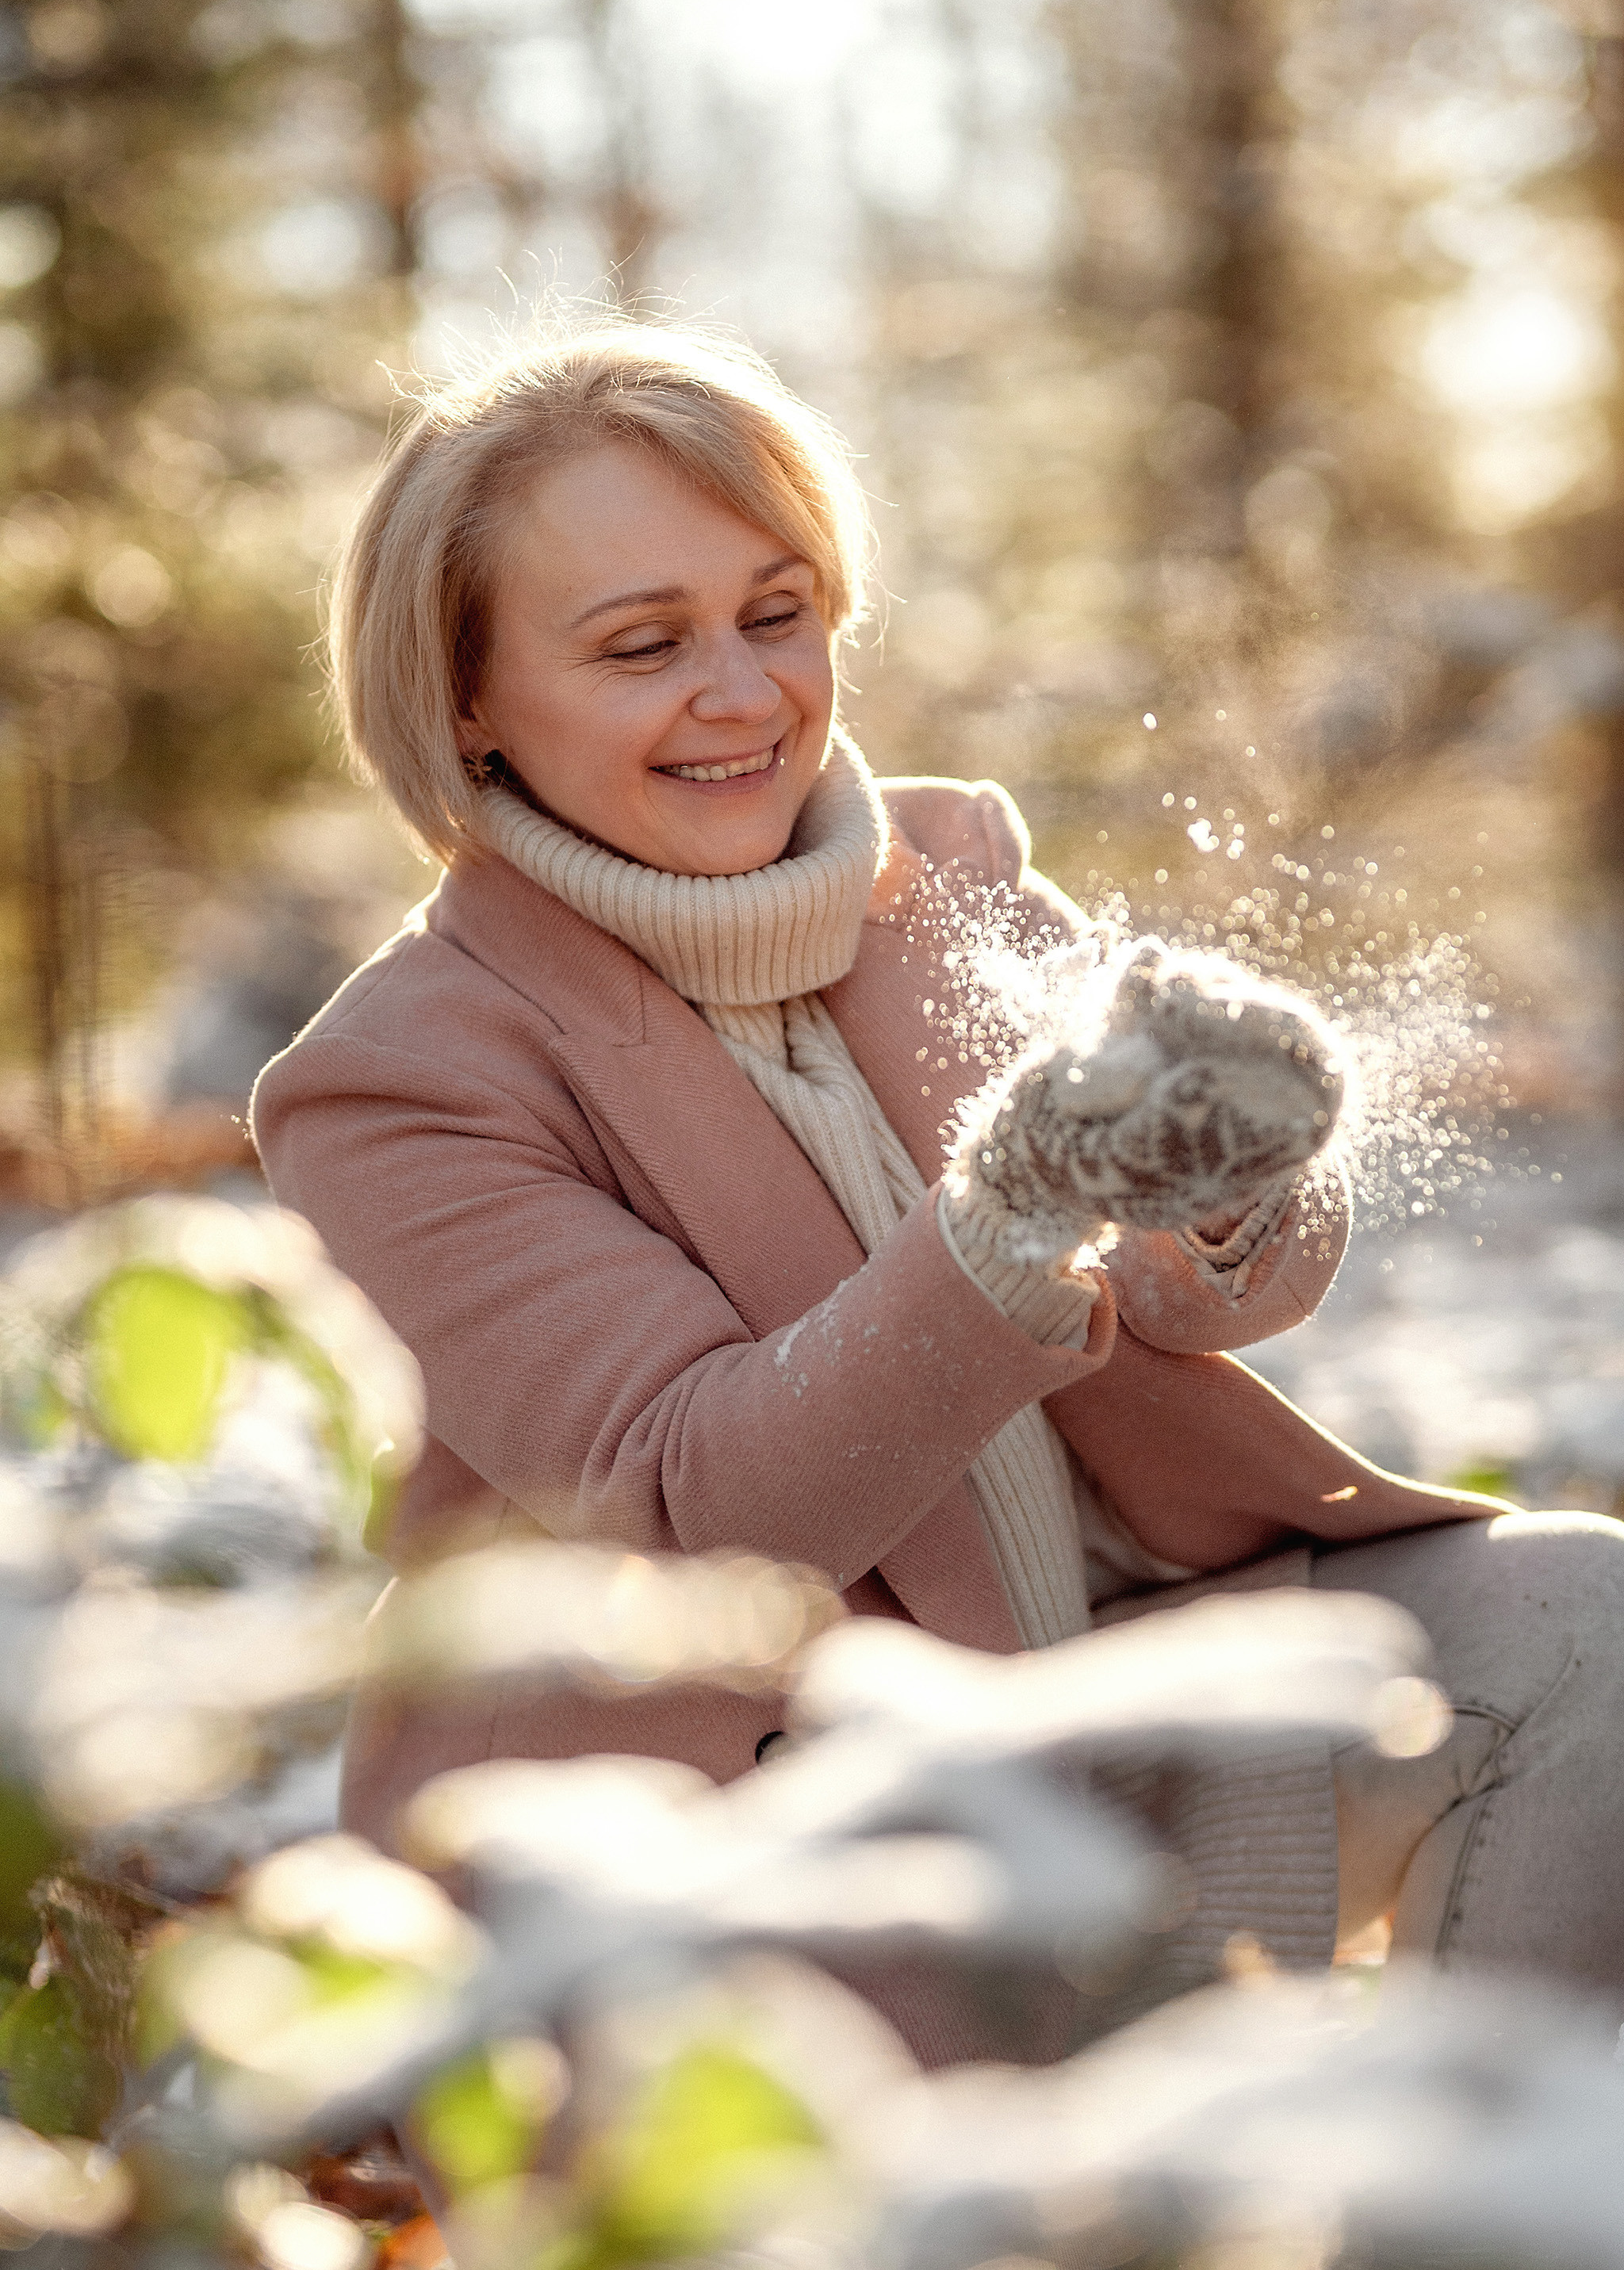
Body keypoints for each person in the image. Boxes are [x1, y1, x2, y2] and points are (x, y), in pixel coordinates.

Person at [252, 320, 1624, 2065]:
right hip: (749, 1840)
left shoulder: (941, 869)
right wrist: (1009, 1206)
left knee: (1586, 1634)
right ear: (466, 697)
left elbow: (1195, 1292)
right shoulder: (401, 1081)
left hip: (1108, 1683)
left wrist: (1227, 1176)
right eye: (640, 644)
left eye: (775, 609)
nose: (744, 692)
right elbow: (698, 1516)